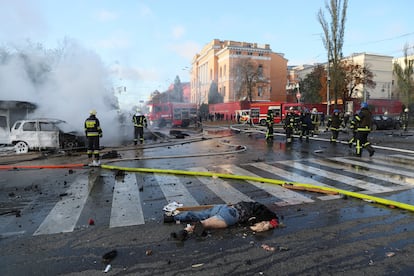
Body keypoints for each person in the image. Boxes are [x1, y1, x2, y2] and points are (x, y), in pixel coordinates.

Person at [164, 201, 279, 240]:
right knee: (204, 224)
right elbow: (274, 221)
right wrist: (270, 224)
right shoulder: (267, 214)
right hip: (231, 215)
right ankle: (183, 232)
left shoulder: (254, 205)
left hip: (224, 207)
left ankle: (172, 218)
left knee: (198, 215)